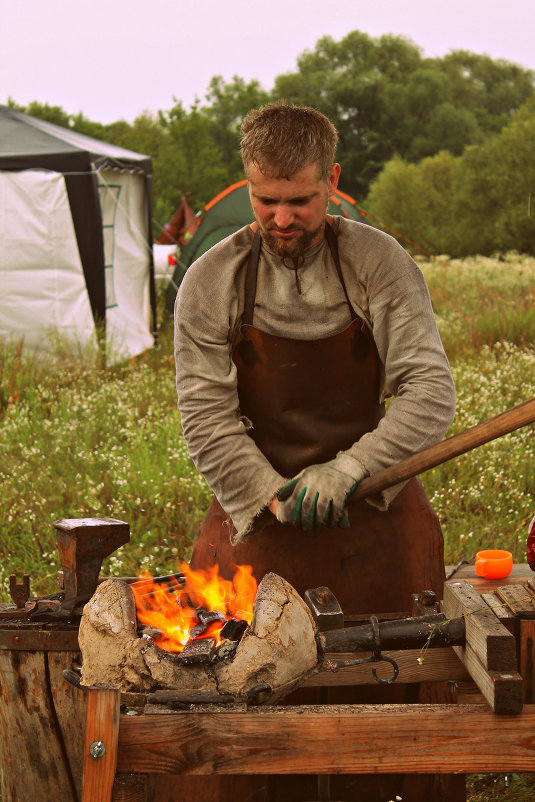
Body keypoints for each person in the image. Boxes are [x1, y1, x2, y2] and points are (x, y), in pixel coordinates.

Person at [174, 102, 463, 802]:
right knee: (241, 716)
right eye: (265, 200)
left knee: (393, 717)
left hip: (378, 522)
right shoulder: (212, 278)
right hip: (255, 528)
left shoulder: (378, 263)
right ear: (248, 186)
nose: (281, 218)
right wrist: (267, 492)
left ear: (331, 182)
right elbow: (204, 414)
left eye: (300, 200)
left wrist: (348, 470)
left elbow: (429, 392)